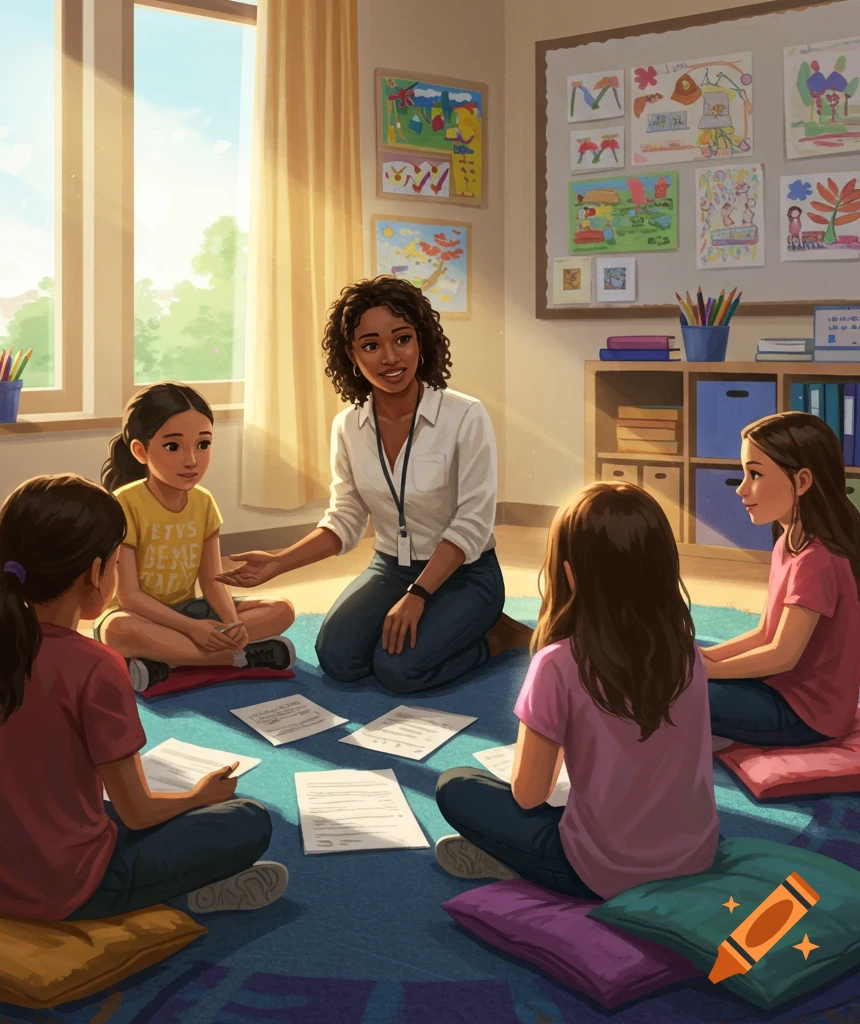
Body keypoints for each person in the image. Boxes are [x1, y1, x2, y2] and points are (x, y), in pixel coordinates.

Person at [0, 473, 288, 921]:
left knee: (122, 815)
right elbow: (137, 812)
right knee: (249, 817)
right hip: (72, 885)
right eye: (116, 564)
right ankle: (175, 893)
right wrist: (199, 795)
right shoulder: (96, 665)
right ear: (97, 572)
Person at [216, 277, 531, 694]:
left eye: (402, 339)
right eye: (371, 345)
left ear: (422, 341)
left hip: (465, 574)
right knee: (337, 659)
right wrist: (279, 562)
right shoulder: (348, 425)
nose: (390, 358)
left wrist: (418, 594)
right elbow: (345, 519)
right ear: (352, 355)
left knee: (398, 671)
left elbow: (472, 523)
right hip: (389, 568)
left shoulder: (465, 416)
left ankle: (497, 636)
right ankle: (445, 628)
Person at [435, 482, 719, 901]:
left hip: (603, 870)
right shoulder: (688, 650)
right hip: (696, 855)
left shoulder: (558, 663)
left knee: (456, 784)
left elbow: (530, 795)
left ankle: (519, 866)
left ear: (569, 573)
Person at [97, 383, 296, 692]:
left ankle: (167, 661)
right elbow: (130, 596)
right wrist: (193, 629)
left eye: (203, 445)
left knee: (281, 608)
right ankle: (238, 659)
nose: (191, 460)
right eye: (173, 447)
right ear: (140, 451)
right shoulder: (125, 503)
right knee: (115, 630)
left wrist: (232, 623)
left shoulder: (204, 502)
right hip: (140, 616)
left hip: (188, 609)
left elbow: (212, 579)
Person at [706, 412, 860, 749]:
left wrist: (702, 673)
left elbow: (781, 656)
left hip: (806, 715)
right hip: (780, 690)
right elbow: (765, 632)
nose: (742, 489)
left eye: (755, 474)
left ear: (802, 481)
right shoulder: (787, 542)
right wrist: (709, 658)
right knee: (685, 678)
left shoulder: (817, 559)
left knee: (674, 695)